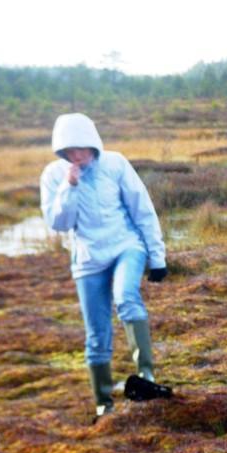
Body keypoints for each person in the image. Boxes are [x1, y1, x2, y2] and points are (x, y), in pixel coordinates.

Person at [40, 113, 171, 422]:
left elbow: (142, 209)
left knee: (126, 296)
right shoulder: (53, 175)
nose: (78, 155)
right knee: (97, 334)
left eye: (82, 148)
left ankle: (147, 378)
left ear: (93, 143)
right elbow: (59, 223)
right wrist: (69, 187)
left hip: (126, 246)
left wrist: (157, 257)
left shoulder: (115, 164)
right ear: (61, 151)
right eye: (70, 151)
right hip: (87, 260)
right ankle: (103, 404)